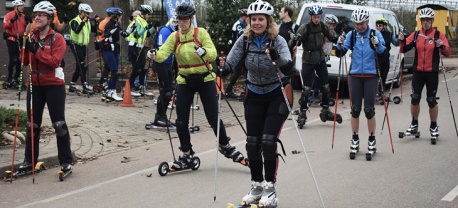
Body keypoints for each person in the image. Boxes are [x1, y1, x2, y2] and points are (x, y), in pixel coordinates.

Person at [148, 2, 246, 169]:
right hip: (185, 80)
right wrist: (154, 55)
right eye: (180, 19)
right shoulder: (175, 37)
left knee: (213, 117)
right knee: (181, 121)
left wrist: (204, 52)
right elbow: (164, 53)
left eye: (185, 19)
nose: (182, 22)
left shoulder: (200, 33)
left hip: (205, 78)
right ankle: (186, 154)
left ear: (191, 19)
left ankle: (225, 146)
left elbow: (213, 52)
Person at [219, 0, 296, 206]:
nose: (257, 23)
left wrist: (277, 58)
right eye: (254, 20)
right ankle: (257, 186)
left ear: (268, 21)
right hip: (253, 94)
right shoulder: (244, 41)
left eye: (261, 19)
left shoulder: (277, 41)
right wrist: (221, 67)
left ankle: (270, 188)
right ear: (250, 21)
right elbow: (230, 65)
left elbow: (289, 69)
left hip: (276, 94)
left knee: (268, 141)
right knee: (252, 144)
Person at [19, 1, 73, 173]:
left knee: (58, 124)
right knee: (32, 125)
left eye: (41, 15)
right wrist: (25, 46)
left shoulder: (58, 39)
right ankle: (29, 161)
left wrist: (35, 51)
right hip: (35, 85)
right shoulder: (32, 36)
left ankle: (65, 161)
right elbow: (24, 61)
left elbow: (54, 61)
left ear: (49, 18)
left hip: (54, 86)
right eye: (35, 15)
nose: (37, 17)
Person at [335, 8, 386, 157]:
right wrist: (339, 44)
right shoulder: (352, 35)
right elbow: (341, 52)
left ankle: (371, 139)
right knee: (355, 109)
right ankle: (355, 138)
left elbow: (383, 53)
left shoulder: (375, 34)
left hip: (370, 75)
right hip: (355, 75)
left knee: (369, 110)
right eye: (356, 24)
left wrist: (378, 44)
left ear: (367, 21)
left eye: (361, 23)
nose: (359, 26)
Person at [398, 7, 450, 142]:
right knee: (415, 98)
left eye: (427, 20)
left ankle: (433, 126)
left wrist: (441, 46)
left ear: (432, 20)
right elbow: (404, 48)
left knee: (431, 100)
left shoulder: (438, 35)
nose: (425, 22)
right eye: (423, 20)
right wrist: (402, 40)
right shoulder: (416, 35)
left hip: (431, 72)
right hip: (418, 72)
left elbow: (448, 52)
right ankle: (414, 124)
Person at [289, 5, 339, 126]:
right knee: (306, 88)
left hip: (320, 59)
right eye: (314, 17)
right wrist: (296, 39)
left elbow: (332, 37)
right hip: (308, 59)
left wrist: (340, 38)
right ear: (310, 17)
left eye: (318, 17)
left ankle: (326, 110)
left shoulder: (322, 26)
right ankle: (302, 113)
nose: (316, 19)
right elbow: (294, 43)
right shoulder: (305, 27)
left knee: (326, 86)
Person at [149, 15, 178, 127]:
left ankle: (162, 116)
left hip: (168, 63)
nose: (177, 24)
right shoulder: (166, 31)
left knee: (169, 90)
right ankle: (159, 117)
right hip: (161, 63)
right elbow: (162, 48)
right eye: (175, 22)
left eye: (177, 22)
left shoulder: (173, 32)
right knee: (165, 91)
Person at [310, 14, 340, 105]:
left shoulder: (332, 32)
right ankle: (314, 94)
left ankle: (321, 94)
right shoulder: (320, 31)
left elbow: (335, 40)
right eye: (332, 25)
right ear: (327, 24)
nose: (334, 27)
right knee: (318, 76)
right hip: (317, 56)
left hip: (325, 56)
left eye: (335, 25)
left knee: (323, 77)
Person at [68, 3, 97, 95]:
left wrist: (96, 21)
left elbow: (94, 30)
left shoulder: (87, 22)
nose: (88, 15)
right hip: (76, 45)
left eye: (89, 13)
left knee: (79, 66)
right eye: (86, 13)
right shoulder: (74, 21)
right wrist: (83, 22)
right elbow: (76, 30)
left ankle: (72, 85)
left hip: (84, 46)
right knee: (82, 66)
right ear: (81, 12)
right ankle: (84, 86)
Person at [127, 5, 155, 97]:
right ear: (145, 14)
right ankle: (130, 87)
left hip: (140, 47)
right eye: (149, 14)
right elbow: (136, 35)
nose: (149, 16)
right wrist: (145, 29)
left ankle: (142, 87)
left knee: (144, 68)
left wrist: (153, 27)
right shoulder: (137, 21)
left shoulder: (144, 22)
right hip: (134, 47)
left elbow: (147, 34)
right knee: (137, 69)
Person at [3, 0, 28, 89]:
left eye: (23, 6)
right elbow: (5, 26)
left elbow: (26, 29)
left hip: (20, 40)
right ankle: (10, 78)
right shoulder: (9, 15)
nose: (22, 7)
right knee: (13, 59)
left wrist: (29, 23)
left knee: (19, 59)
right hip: (11, 39)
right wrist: (12, 20)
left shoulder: (23, 16)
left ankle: (17, 77)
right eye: (20, 6)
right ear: (16, 7)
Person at [224, 8, 248, 99]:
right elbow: (242, 38)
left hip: (240, 52)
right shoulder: (239, 25)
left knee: (242, 71)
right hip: (238, 53)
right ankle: (229, 90)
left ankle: (244, 91)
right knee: (238, 71)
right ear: (244, 17)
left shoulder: (240, 24)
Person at [101, 7, 124, 102]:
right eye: (119, 15)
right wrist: (116, 28)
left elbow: (124, 33)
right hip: (108, 49)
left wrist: (133, 28)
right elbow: (107, 34)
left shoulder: (116, 24)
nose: (120, 17)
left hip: (115, 49)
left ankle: (110, 91)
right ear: (116, 16)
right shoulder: (109, 24)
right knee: (114, 71)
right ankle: (111, 91)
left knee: (115, 71)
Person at [375, 17, 399, 102]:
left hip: (385, 57)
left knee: (384, 75)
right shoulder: (374, 34)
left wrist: (401, 38)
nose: (378, 27)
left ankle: (381, 94)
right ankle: (375, 94)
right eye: (377, 25)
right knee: (376, 76)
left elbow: (396, 43)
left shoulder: (389, 34)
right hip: (376, 57)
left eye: (380, 25)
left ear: (384, 26)